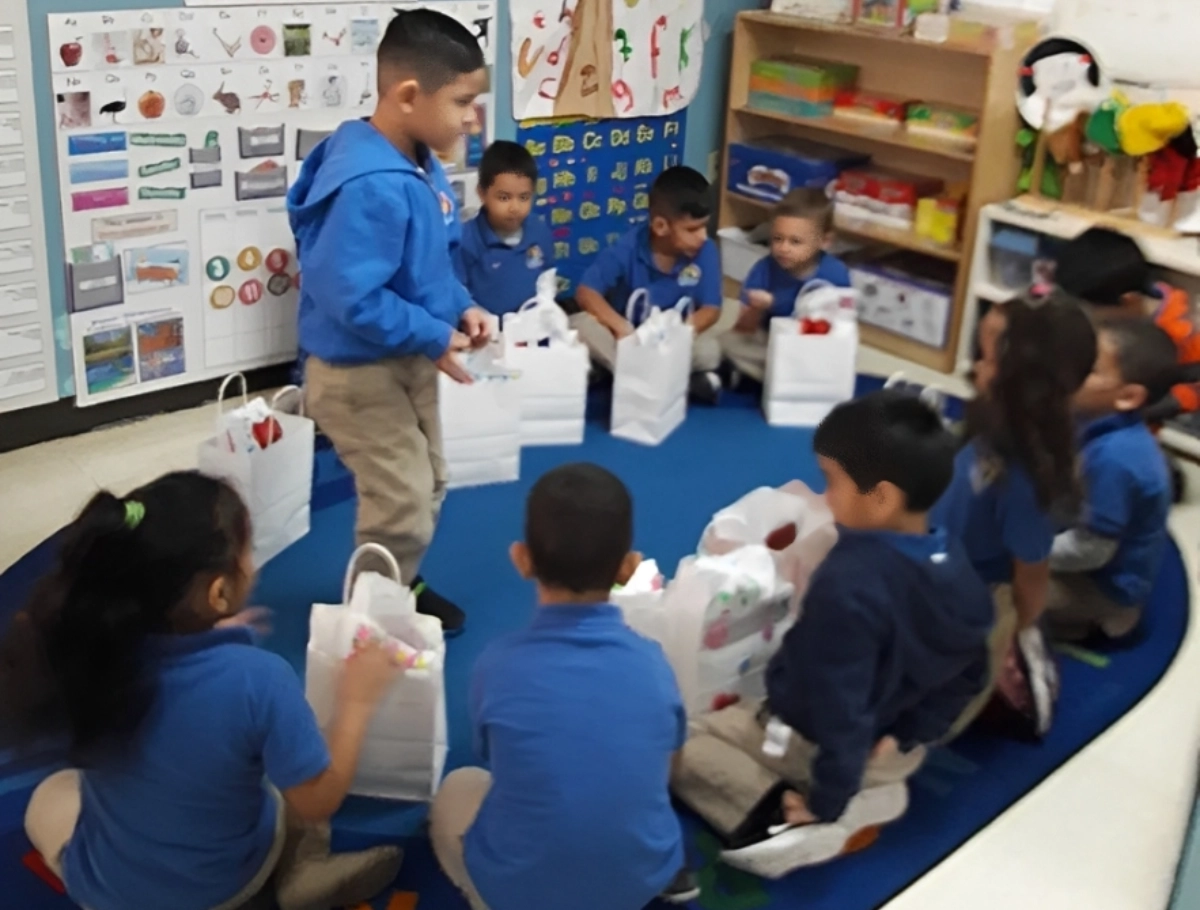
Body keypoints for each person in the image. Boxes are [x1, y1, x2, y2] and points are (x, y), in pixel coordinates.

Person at [2, 473, 403, 910]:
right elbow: (317, 801)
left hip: (110, 894)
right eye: (248, 553)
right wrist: (357, 702)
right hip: (225, 889)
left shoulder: (88, 656)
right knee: (284, 769)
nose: (254, 561)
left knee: (51, 794)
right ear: (218, 592)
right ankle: (302, 870)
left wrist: (201, 632)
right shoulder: (260, 680)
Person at [671, 391, 993, 871]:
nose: (825, 497)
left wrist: (827, 799)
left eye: (832, 482)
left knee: (680, 742)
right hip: (894, 748)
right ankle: (875, 786)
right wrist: (912, 733)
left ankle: (802, 819)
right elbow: (972, 669)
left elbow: (842, 709)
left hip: (818, 747)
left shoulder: (848, 585)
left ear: (881, 497)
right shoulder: (955, 564)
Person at [288, 10, 491, 634]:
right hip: (355, 374)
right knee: (400, 495)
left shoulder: (419, 162)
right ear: (408, 96)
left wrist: (461, 305)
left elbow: (428, 266)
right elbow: (352, 297)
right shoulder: (370, 184)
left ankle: (394, 576)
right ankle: (371, 608)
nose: (473, 119)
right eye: (463, 101)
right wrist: (433, 332)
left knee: (430, 480)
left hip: (406, 355)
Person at [428, 463, 698, 909]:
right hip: (636, 883)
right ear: (628, 568)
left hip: (519, 892)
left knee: (458, 789)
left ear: (521, 559)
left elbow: (494, 758)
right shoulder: (654, 663)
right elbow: (671, 770)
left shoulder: (495, 665)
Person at [932, 291, 1097, 712]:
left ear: (1021, 383)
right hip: (935, 557)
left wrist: (1012, 637)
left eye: (986, 359)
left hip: (959, 596)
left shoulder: (1025, 479)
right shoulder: (993, 425)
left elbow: (1030, 582)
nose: (974, 367)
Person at [1048, 317, 1177, 642]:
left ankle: (1100, 615)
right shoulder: (1091, 414)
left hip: (1102, 581)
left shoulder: (1117, 459)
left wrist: (1016, 551)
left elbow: (1090, 551)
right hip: (1077, 525)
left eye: (1090, 370)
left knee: (989, 586)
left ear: (1128, 397)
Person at [572, 166, 725, 404]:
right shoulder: (628, 247)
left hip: (672, 339)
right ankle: (667, 378)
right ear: (661, 226)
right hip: (630, 340)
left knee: (710, 349)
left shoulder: (706, 251)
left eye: (705, 226)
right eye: (692, 229)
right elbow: (586, 292)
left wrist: (681, 334)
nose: (703, 236)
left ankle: (621, 375)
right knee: (580, 325)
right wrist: (621, 328)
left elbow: (712, 309)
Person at [1055, 225, 1200, 422]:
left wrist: (1150, 410)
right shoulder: (1115, 295)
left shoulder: (1183, 336)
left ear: (1128, 300)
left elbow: (1192, 391)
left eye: (1093, 313)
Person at [720, 188, 852, 385]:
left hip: (816, 345)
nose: (784, 248)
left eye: (795, 241)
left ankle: (765, 378)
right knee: (725, 342)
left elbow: (842, 324)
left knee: (839, 358)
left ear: (825, 241)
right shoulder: (764, 268)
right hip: (771, 342)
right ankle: (777, 377)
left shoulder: (836, 273)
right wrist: (756, 309)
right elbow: (744, 329)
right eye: (777, 239)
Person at [459, 140, 556, 317]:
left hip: (531, 328)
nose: (515, 207)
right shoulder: (467, 239)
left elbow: (546, 276)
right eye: (504, 198)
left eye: (524, 197)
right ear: (482, 193)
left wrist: (545, 306)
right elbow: (458, 293)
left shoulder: (538, 229)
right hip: (487, 333)